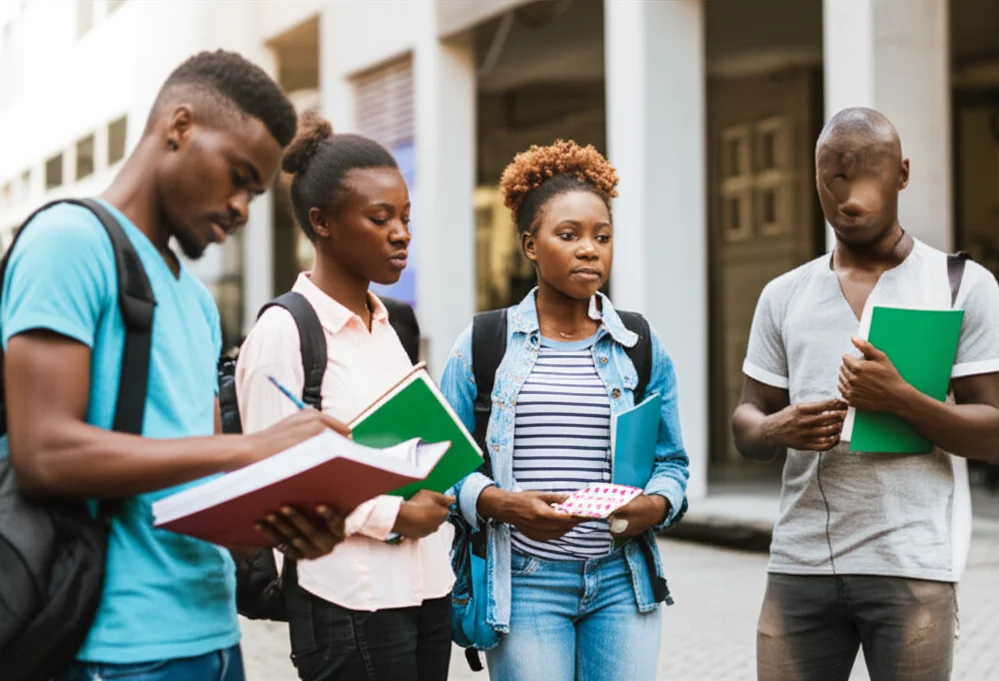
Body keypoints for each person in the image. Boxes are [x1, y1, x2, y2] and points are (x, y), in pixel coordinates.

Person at [2, 51, 354, 681]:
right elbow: (44, 451)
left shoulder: (192, 300)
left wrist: (284, 527)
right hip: (114, 647)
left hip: (214, 637)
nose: (243, 208)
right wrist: (252, 450)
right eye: (239, 177)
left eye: (255, 192)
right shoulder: (68, 242)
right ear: (180, 126)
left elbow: (190, 484)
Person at [733, 107, 999, 681]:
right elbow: (746, 418)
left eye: (868, 172)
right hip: (799, 564)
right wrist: (775, 428)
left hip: (910, 567)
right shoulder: (784, 294)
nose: (849, 191)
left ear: (902, 174)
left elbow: (998, 437)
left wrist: (900, 398)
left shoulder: (960, 284)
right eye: (834, 175)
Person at [440, 140, 690, 681]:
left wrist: (657, 505)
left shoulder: (640, 345)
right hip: (526, 583)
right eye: (569, 235)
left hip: (622, 581)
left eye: (602, 237)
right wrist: (503, 503)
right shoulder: (483, 343)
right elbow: (442, 463)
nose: (589, 250)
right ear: (531, 245)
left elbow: (673, 463)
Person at [234, 112, 455, 681]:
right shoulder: (285, 333)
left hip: (426, 589)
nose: (401, 232)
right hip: (347, 602)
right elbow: (276, 480)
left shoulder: (392, 324)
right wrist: (397, 514)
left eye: (405, 217)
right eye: (380, 218)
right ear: (322, 222)